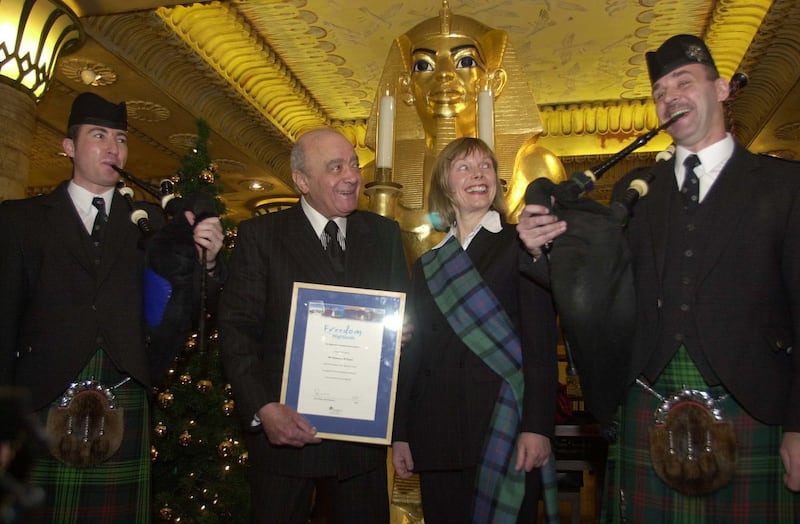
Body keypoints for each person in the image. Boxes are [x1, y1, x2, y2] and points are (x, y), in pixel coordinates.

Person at [517, 34, 800, 521]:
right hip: (647, 403)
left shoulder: (784, 185)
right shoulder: (635, 191)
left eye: (683, 82)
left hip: (755, 411)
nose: (670, 97)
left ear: (724, 89)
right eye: (660, 92)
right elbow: (600, 286)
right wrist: (540, 241)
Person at [0, 92, 225, 523]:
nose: (113, 148)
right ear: (68, 147)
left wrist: (208, 262)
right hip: (41, 402)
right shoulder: (20, 221)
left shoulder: (154, 224)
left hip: (124, 395)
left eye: (120, 139)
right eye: (98, 135)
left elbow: (190, 305)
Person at [218, 128, 409, 524]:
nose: (353, 176)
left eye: (354, 164)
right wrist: (264, 408)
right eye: (336, 167)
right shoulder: (261, 236)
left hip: (361, 447)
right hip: (284, 440)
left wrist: (400, 333)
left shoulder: (385, 235)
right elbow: (237, 330)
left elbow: (405, 321)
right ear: (302, 181)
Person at [392, 137, 558, 523]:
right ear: (445, 183)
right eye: (463, 167)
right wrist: (401, 431)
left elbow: (541, 344)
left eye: (485, 166)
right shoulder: (428, 263)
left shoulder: (520, 244)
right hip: (436, 432)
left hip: (503, 427)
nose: (478, 174)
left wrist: (538, 426)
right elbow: (414, 355)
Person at [366, 1, 565, 262]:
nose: (444, 75)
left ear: (495, 82)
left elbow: (550, 265)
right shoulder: (370, 178)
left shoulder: (534, 169)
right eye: (424, 65)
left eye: (465, 61)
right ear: (406, 87)